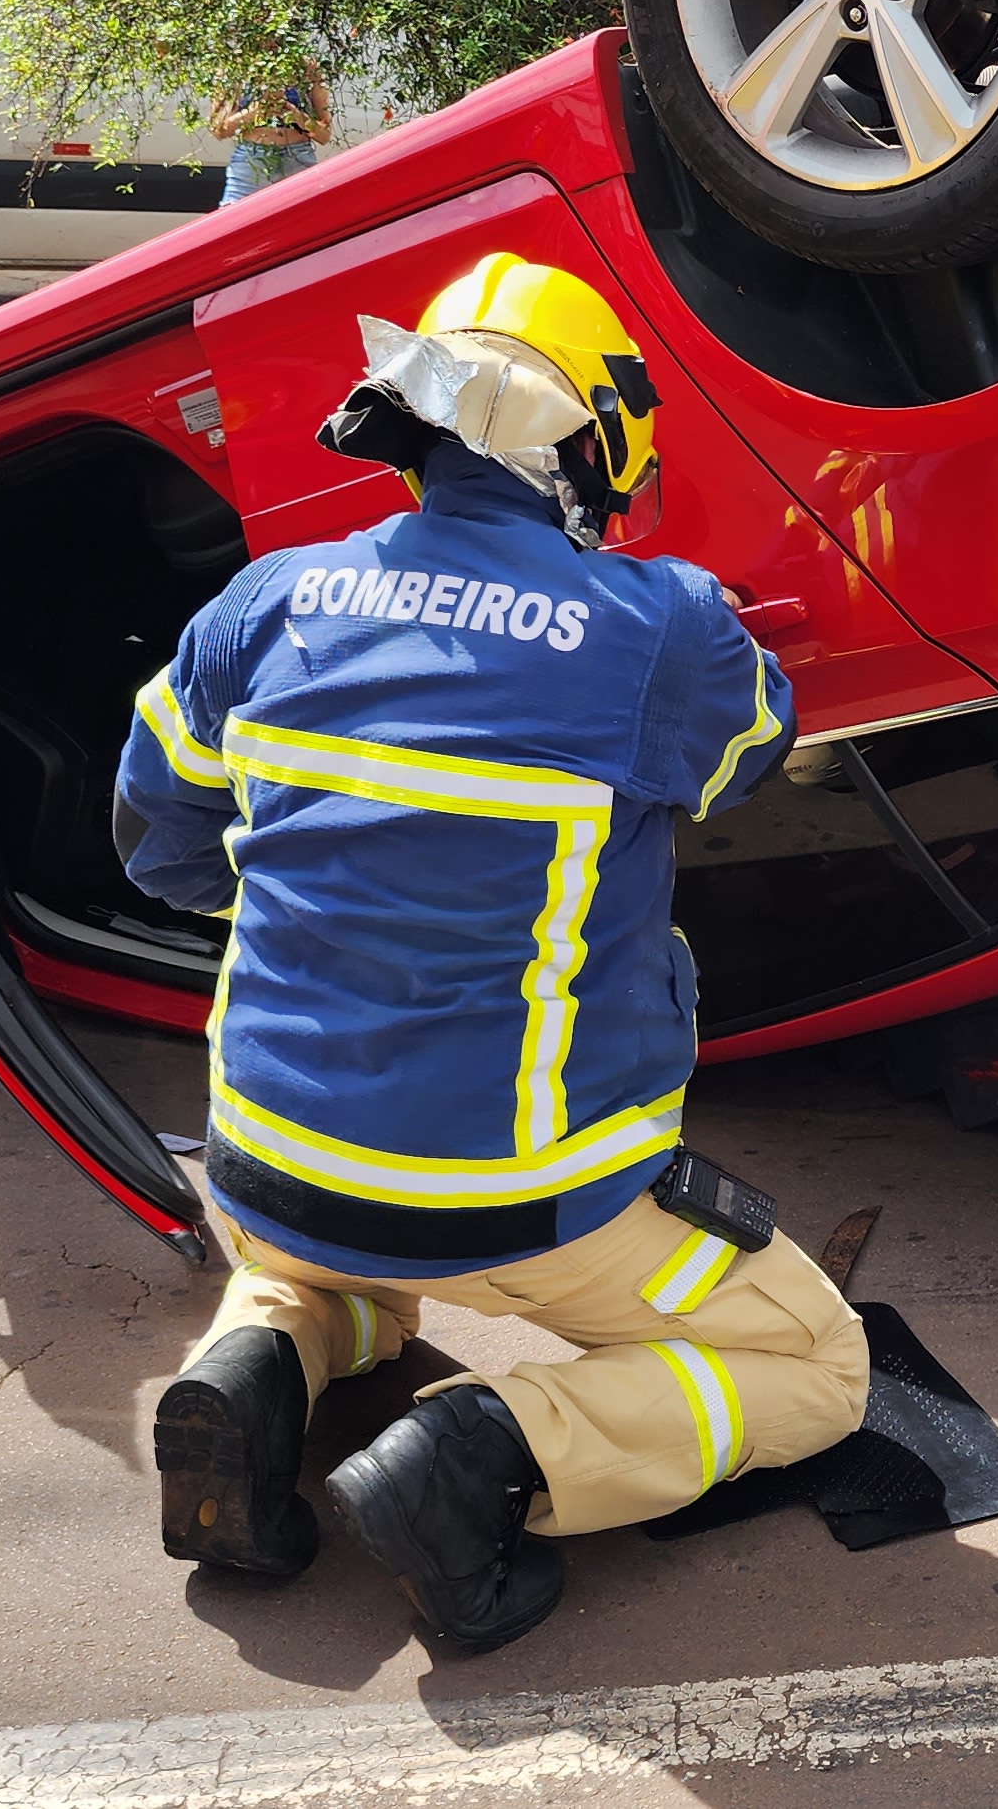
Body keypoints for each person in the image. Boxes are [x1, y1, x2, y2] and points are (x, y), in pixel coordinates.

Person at [114, 252, 863, 1655]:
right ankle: (489, 1450)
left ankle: (256, 1365)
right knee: (814, 1365)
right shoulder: (663, 629)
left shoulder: (264, 605)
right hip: (524, 1204)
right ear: (602, 446)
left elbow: (153, 842)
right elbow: (755, 754)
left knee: (326, 1275)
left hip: (269, 1159)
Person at [215, 58, 335, 204]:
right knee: (236, 220)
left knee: (304, 220)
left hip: (297, 157)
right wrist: (255, 112)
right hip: (252, 160)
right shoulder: (235, 66)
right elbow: (219, 129)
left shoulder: (307, 67)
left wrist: (297, 117)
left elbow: (324, 135)